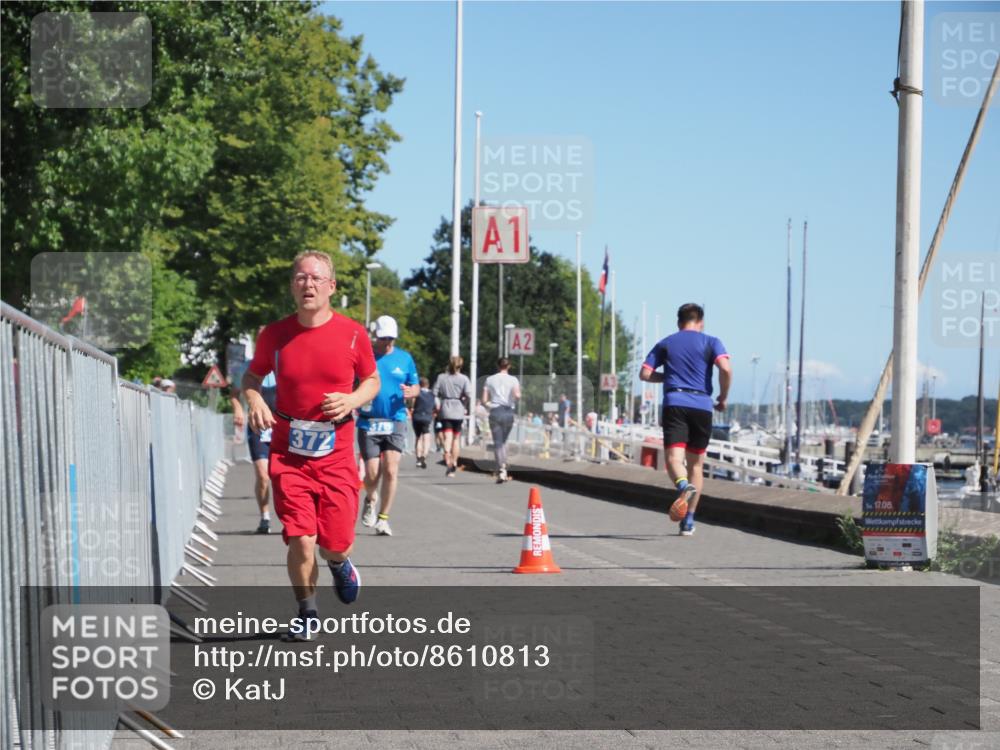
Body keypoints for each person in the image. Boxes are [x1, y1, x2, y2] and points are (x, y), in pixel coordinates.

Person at [243, 251, 379, 640]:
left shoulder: (353, 333)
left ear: (331, 287)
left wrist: (352, 400)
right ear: (292, 286)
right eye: (301, 278)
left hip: (335, 451)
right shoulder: (275, 334)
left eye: (317, 278)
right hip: (289, 451)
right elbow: (251, 377)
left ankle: (339, 564)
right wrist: (253, 399)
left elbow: (371, 381)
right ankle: (307, 612)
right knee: (302, 539)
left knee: (335, 543)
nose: (308, 285)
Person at [639, 302, 731, 537]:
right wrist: (722, 396)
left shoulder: (667, 342)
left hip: (676, 402)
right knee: (696, 465)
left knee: (673, 459)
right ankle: (688, 520)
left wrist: (668, 378)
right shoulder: (712, 341)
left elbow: (645, 373)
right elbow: (726, 369)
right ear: (700, 322)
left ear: (679, 322)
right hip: (702, 404)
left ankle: (682, 486)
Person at [357, 315, 420, 537]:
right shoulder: (365, 356)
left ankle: (383, 519)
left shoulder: (405, 358)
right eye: (384, 338)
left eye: (391, 339)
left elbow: (416, 386)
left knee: (391, 470)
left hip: (396, 420)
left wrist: (413, 392)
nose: (388, 343)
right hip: (369, 422)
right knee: (373, 474)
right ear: (376, 337)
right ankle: (370, 498)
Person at [231, 370, 277, 534]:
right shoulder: (247, 367)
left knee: (282, 477)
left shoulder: (283, 358)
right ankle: (265, 516)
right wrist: (238, 409)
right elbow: (234, 393)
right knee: (263, 475)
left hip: (281, 427)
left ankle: (292, 518)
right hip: (259, 429)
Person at [433, 356, 472, 478]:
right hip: (458, 409)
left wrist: (438, 405)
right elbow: (469, 395)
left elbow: (434, 393)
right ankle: (454, 462)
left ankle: (447, 455)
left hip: (445, 407)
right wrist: (464, 405)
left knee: (447, 436)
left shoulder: (441, 377)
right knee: (456, 438)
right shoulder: (464, 379)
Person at [483, 357, 520, 483]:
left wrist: (489, 404)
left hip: (495, 411)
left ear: (498, 366)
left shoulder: (489, 379)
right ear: (509, 366)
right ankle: (504, 466)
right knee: (504, 441)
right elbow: (517, 395)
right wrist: (513, 400)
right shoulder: (513, 380)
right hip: (508, 412)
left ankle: (501, 469)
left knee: (497, 442)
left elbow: (484, 399)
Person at [411, 376, 435, 469]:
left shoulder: (417, 393)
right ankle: (423, 457)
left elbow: (412, 404)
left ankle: (418, 458)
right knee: (426, 436)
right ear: (428, 385)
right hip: (427, 417)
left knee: (418, 438)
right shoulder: (432, 394)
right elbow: (436, 405)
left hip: (417, 416)